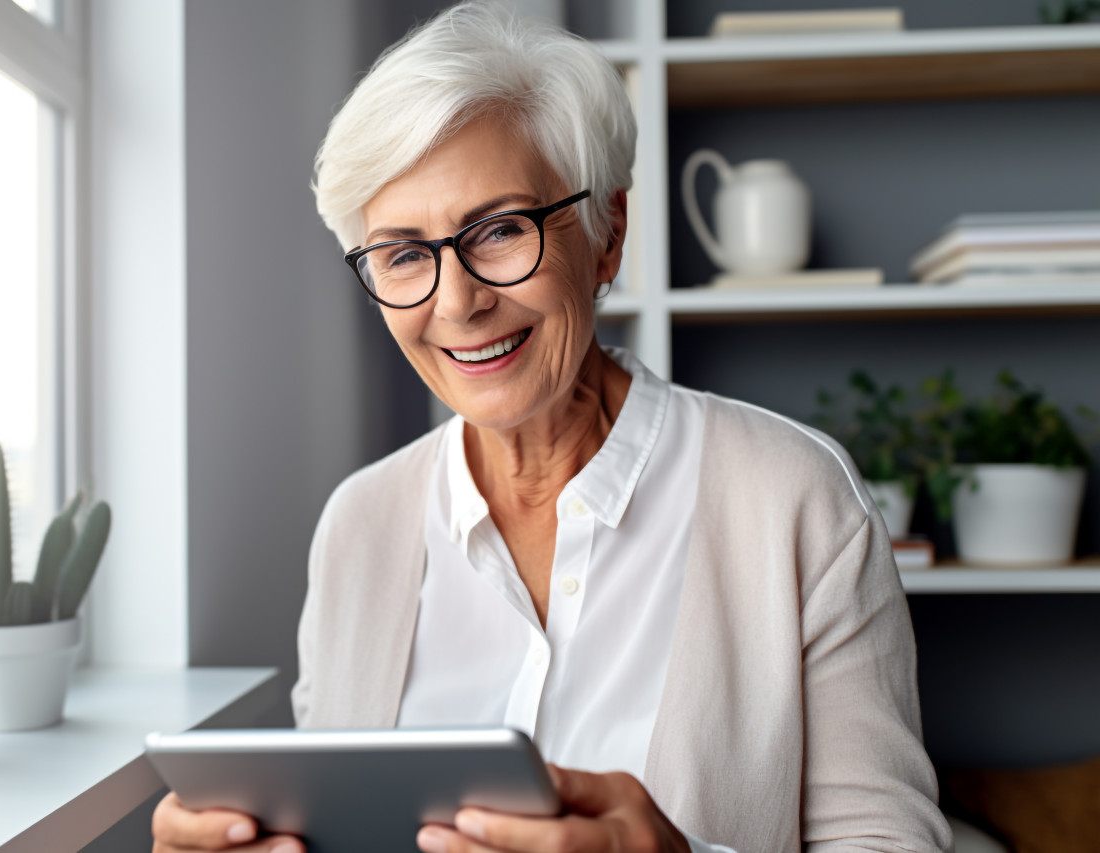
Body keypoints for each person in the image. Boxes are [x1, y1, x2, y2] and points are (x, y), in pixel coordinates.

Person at [153, 4, 952, 852]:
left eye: (501, 230)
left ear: (607, 236)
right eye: (403, 253)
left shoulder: (794, 499)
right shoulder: (358, 524)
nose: (457, 302)